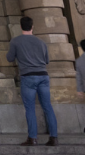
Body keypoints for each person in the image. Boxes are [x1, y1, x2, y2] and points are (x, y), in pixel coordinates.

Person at [7, 16, 58, 146]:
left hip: (28, 76)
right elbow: (46, 61)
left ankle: (33, 138)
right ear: (32, 26)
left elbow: (9, 58)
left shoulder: (15, 41)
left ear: (20, 26)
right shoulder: (41, 42)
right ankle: (54, 138)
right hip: (43, 75)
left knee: (30, 108)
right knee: (48, 107)